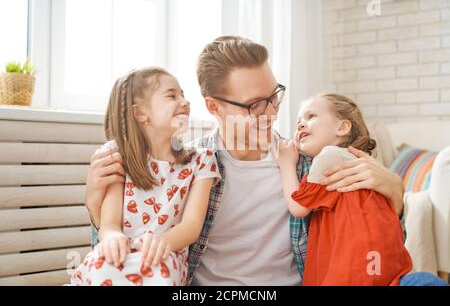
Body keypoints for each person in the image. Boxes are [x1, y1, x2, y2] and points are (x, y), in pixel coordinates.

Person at [83, 36, 446, 286]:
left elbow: (369, 244)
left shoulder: (309, 165)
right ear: (214, 107)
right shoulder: (186, 167)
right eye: (255, 104)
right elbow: (126, 253)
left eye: (274, 96)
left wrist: (395, 195)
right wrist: (97, 211)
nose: (272, 111)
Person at [71, 67, 220, 286]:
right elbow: (109, 224)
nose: (185, 102)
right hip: (121, 253)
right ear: (140, 113)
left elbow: (191, 226)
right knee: (99, 266)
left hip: (165, 255)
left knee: (158, 273)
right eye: (172, 96)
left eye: (183, 95)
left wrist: (162, 242)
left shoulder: (201, 160)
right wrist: (112, 238)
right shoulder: (118, 156)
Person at [276, 93, 413, 285]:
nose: (300, 124)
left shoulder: (328, 156)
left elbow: (299, 208)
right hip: (381, 263)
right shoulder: (362, 161)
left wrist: (286, 164)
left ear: (342, 127)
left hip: (353, 264)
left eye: (311, 116)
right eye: (298, 120)